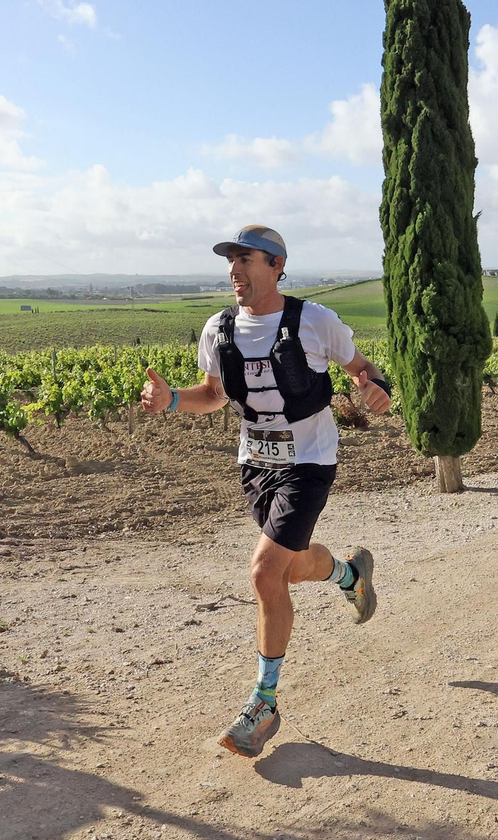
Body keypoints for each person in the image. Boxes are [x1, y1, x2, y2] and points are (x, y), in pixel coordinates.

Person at [140, 224, 392, 758]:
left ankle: (265, 702)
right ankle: (348, 573)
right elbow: (211, 394)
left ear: (276, 264)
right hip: (255, 464)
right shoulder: (218, 329)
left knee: (262, 572)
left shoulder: (315, 321)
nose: (234, 269)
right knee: (287, 567)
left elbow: (361, 369)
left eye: (245, 258)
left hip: (309, 462)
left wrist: (376, 390)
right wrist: (171, 402)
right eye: (230, 260)